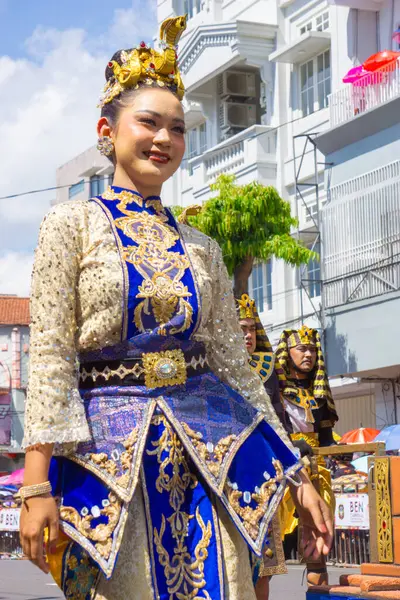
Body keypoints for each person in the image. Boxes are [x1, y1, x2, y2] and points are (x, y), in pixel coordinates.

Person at [19, 16, 333, 600]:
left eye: (178, 128)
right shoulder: (71, 225)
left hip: (209, 456)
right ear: (107, 131)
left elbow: (235, 369)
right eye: (149, 123)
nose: (164, 139)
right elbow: (52, 358)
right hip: (111, 464)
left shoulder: (203, 248)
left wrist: (297, 474)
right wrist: (36, 486)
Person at [276, 325, 338, 587]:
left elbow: (325, 436)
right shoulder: (275, 390)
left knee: (320, 535)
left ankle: (318, 587)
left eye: (313, 349)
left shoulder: (318, 390)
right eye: (302, 348)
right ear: (287, 353)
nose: (308, 354)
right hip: (284, 462)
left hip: (317, 464)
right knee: (272, 540)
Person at [237, 294, 288, 599]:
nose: (247, 335)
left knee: (265, 565)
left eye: (251, 329)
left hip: (263, 471)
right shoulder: (212, 369)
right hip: (226, 468)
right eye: (240, 328)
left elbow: (278, 418)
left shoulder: (267, 367)